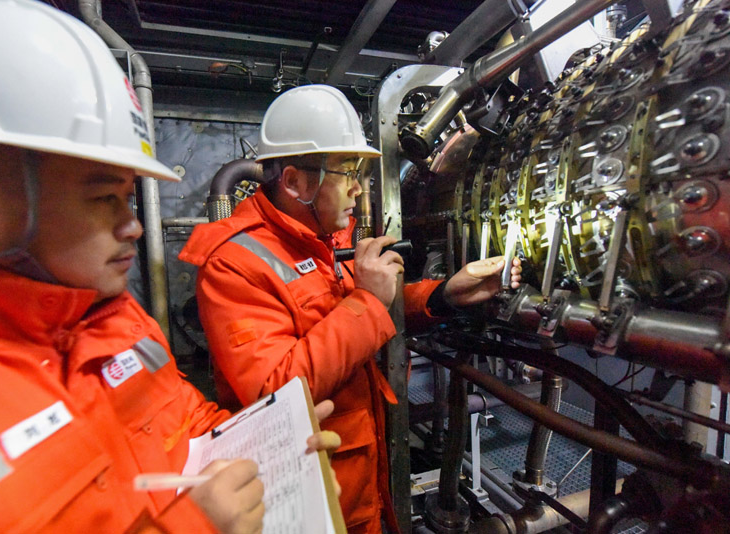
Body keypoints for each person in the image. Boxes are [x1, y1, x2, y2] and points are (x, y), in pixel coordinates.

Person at [0, 1, 339, 533]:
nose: (135, 226)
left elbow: (186, 423)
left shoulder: (113, 318)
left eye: (129, 197)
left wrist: (274, 454)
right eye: (104, 198)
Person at [179, 84, 522, 533]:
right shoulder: (233, 263)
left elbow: (367, 314)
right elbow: (272, 389)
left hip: (363, 463)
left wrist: (443, 296)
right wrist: (366, 299)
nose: (359, 189)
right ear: (295, 182)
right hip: (315, 485)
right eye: (347, 171)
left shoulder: (328, 236)